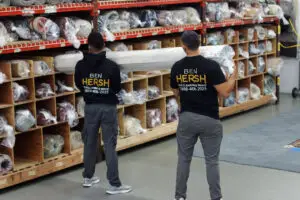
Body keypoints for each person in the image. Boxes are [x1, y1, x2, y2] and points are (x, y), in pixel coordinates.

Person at [170, 31, 237, 200]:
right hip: (209, 119)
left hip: (187, 119)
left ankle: (179, 196)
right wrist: (233, 77)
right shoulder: (211, 66)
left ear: (183, 47)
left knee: (184, 159)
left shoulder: (177, 67)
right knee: (211, 161)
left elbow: (175, 92)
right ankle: (216, 197)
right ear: (198, 44)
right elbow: (225, 93)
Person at [75, 32, 132, 195]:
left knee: (90, 142)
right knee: (109, 145)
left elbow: (79, 85)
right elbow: (116, 88)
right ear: (103, 45)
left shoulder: (80, 65)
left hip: (90, 107)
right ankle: (114, 184)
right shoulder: (111, 66)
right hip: (107, 108)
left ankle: (88, 177)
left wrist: (91, 90)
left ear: (89, 45)